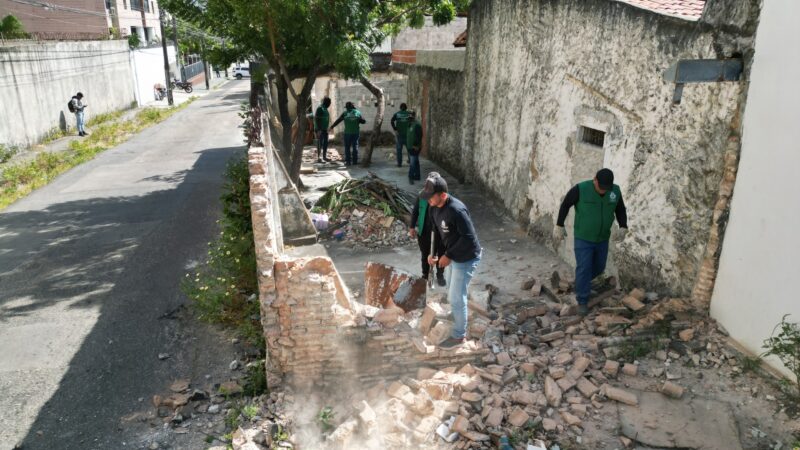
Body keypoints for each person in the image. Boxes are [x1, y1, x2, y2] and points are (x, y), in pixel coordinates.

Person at [553, 168, 628, 316]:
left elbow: (620, 209)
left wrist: (623, 225)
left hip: (602, 238)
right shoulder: (580, 189)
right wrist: (559, 225)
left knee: (599, 267)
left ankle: (581, 282)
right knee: (584, 267)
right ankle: (582, 300)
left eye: (606, 189)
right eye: (600, 188)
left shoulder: (615, 192)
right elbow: (565, 204)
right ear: (595, 180)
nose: (603, 192)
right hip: (584, 238)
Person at [421, 173, 482, 349]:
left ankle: (458, 336)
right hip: (453, 254)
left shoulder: (456, 210)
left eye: (430, 198)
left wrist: (449, 256)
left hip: (466, 257)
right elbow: (437, 233)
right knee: (451, 291)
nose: (428, 202)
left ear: (443, 195)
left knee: (456, 296)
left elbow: (469, 238)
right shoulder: (434, 208)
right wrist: (433, 254)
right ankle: (457, 316)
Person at [409, 172, 446, 287]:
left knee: (440, 254)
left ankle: (440, 275)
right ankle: (425, 275)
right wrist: (412, 227)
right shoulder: (422, 195)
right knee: (425, 254)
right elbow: (415, 211)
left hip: (439, 232)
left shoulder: (441, 197)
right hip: (424, 230)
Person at [330, 101, 366, 166]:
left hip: (347, 133)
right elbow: (364, 121)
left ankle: (348, 162)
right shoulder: (357, 113)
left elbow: (338, 120)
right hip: (355, 133)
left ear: (347, 107)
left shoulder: (345, 113)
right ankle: (355, 161)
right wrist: (358, 119)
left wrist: (332, 126)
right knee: (355, 146)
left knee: (347, 147)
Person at [406, 111, 422, 184]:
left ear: (413, 116)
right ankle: (417, 176)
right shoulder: (410, 124)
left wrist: (416, 145)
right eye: (408, 116)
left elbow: (419, 136)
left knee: (412, 163)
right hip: (410, 147)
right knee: (416, 161)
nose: (408, 118)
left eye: (410, 116)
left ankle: (411, 177)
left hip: (414, 147)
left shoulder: (417, 125)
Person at [315, 97, 332, 163]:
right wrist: (319, 129)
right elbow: (317, 119)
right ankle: (319, 158)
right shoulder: (320, 108)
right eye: (329, 103)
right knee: (320, 143)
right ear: (326, 102)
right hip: (320, 129)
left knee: (325, 143)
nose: (330, 104)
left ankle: (324, 157)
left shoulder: (325, 109)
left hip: (325, 129)